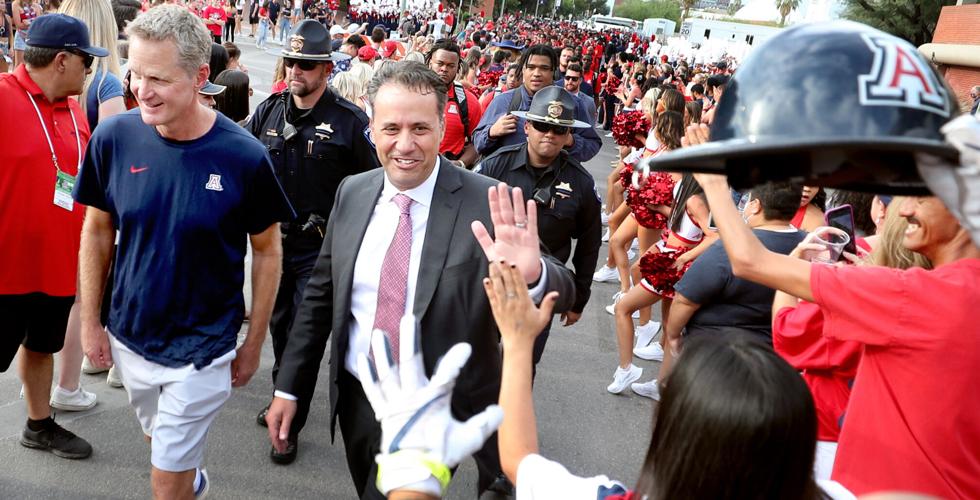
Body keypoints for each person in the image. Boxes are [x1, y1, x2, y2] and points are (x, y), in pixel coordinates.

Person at [661, 20, 980, 497]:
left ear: (962, 206)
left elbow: (750, 261)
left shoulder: (919, 295)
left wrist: (710, 180)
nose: (903, 208)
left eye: (919, 193)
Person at [264, 61, 576, 499]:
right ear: (370, 126)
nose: (405, 145)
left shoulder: (484, 200)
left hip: (452, 401)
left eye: (420, 129)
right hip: (362, 396)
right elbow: (320, 296)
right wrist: (289, 387)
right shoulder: (352, 192)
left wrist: (534, 273)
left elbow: (565, 286)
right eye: (391, 128)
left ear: (440, 127)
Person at [73, 6, 293, 498]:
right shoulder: (114, 136)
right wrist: (91, 320)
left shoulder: (244, 156)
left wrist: (254, 343)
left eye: (158, 79)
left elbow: (268, 251)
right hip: (130, 337)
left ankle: (181, 481)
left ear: (199, 77)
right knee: (161, 447)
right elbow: (96, 230)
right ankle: (190, 477)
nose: (139, 90)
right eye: (134, 73)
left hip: (203, 349)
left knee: (164, 482)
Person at [246, 18, 376, 465]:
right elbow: (243, 158)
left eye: (306, 64)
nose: (295, 71)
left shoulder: (350, 124)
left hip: (320, 250)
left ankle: (289, 425)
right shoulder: (269, 110)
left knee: (305, 332)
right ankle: (284, 395)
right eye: (291, 62)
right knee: (280, 328)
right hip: (273, 247)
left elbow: (374, 187)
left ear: (325, 70)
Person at [0, 12, 105, 461]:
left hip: (58, 265)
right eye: (86, 60)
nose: (90, 68)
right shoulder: (2, 98)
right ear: (62, 60)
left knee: (42, 346)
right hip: (6, 269)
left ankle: (39, 424)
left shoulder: (74, 108)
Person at [772, 196, 931, 480]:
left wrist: (791, 267)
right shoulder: (941, 287)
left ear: (881, 210)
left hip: (833, 428)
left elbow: (787, 335)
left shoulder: (855, 294)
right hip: (903, 435)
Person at [630, 181, 806, 401]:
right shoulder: (807, 247)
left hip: (715, 355)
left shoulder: (733, 247)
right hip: (773, 358)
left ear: (755, 206)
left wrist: (672, 335)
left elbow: (685, 300)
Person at [475, 86, 601, 376]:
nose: (549, 135)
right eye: (542, 126)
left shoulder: (580, 183)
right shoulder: (495, 166)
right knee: (476, 369)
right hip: (488, 286)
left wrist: (578, 299)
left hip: (538, 292)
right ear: (527, 126)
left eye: (558, 130)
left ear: (568, 135)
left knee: (520, 370)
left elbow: (589, 244)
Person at [474, 44, 600, 163]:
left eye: (544, 68)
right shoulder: (503, 101)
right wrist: (492, 132)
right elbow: (478, 143)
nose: (537, 74)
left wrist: (570, 141)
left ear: (553, 72)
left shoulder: (571, 104)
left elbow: (592, 145)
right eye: (531, 67)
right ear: (523, 69)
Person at [425, 39, 482, 169]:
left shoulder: (469, 102)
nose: (444, 69)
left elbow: (478, 143)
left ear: (458, 68)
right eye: (440, 63)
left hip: (449, 175)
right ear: (430, 63)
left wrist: (460, 164)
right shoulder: (411, 95)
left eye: (451, 66)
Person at [11, 0, 40, 68]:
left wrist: (29, 24)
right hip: (21, 37)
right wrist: (33, 23)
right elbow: (18, 25)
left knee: (32, 64)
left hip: (33, 37)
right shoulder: (16, 4)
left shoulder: (35, 5)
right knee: (19, 65)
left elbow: (39, 23)